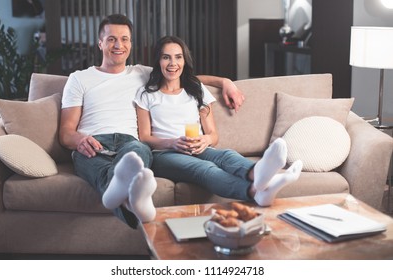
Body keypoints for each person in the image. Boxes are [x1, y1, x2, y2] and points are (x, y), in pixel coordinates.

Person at [59, 14, 245, 229]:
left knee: (139, 152)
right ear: (100, 43)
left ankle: (114, 196)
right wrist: (80, 140)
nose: (118, 45)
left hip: (130, 144)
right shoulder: (79, 78)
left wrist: (225, 82)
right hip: (93, 144)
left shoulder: (141, 73)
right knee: (98, 166)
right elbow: (65, 133)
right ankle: (125, 198)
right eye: (111, 39)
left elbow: (180, 75)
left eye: (125, 39)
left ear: (130, 43)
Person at [135, 36, 303, 206]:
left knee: (226, 155)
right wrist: (172, 143)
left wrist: (205, 140)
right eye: (166, 57)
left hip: (198, 148)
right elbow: (144, 137)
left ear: (184, 60)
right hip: (164, 155)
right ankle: (254, 192)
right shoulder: (146, 94)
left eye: (178, 57)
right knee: (205, 169)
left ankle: (258, 173)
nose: (173, 63)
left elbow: (213, 135)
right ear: (158, 61)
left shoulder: (195, 89)